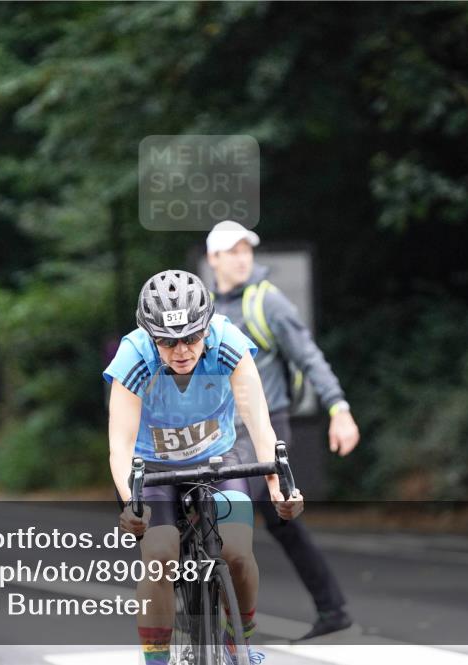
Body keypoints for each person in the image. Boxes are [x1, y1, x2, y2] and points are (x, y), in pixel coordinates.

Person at [105, 269, 304, 664]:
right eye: (168, 341)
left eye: (192, 338)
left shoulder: (229, 343)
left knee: (238, 553)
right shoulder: (133, 356)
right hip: (152, 467)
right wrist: (132, 503)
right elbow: (120, 447)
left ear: (207, 327)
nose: (182, 351)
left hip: (219, 458)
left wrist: (279, 485)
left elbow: (259, 423)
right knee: (160, 555)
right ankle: (156, 660)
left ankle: (238, 642)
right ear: (150, 336)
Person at [205, 220, 361, 641]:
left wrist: (339, 408)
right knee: (281, 523)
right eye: (232, 251)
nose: (242, 259)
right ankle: (333, 609)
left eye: (246, 250)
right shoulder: (203, 308)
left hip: (265, 430)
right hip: (218, 435)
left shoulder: (266, 302)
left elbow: (309, 357)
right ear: (213, 259)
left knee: (228, 518)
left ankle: (226, 629)